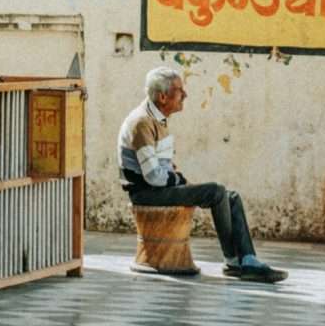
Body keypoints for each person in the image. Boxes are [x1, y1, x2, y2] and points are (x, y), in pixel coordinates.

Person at [118, 66, 287, 283]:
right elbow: (153, 177)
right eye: (180, 90)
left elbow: (165, 166)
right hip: (146, 193)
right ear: (163, 96)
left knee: (230, 196)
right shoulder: (141, 122)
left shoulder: (157, 118)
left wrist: (179, 180)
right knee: (216, 191)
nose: (185, 95)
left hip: (160, 188)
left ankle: (246, 260)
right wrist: (180, 180)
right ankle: (235, 261)